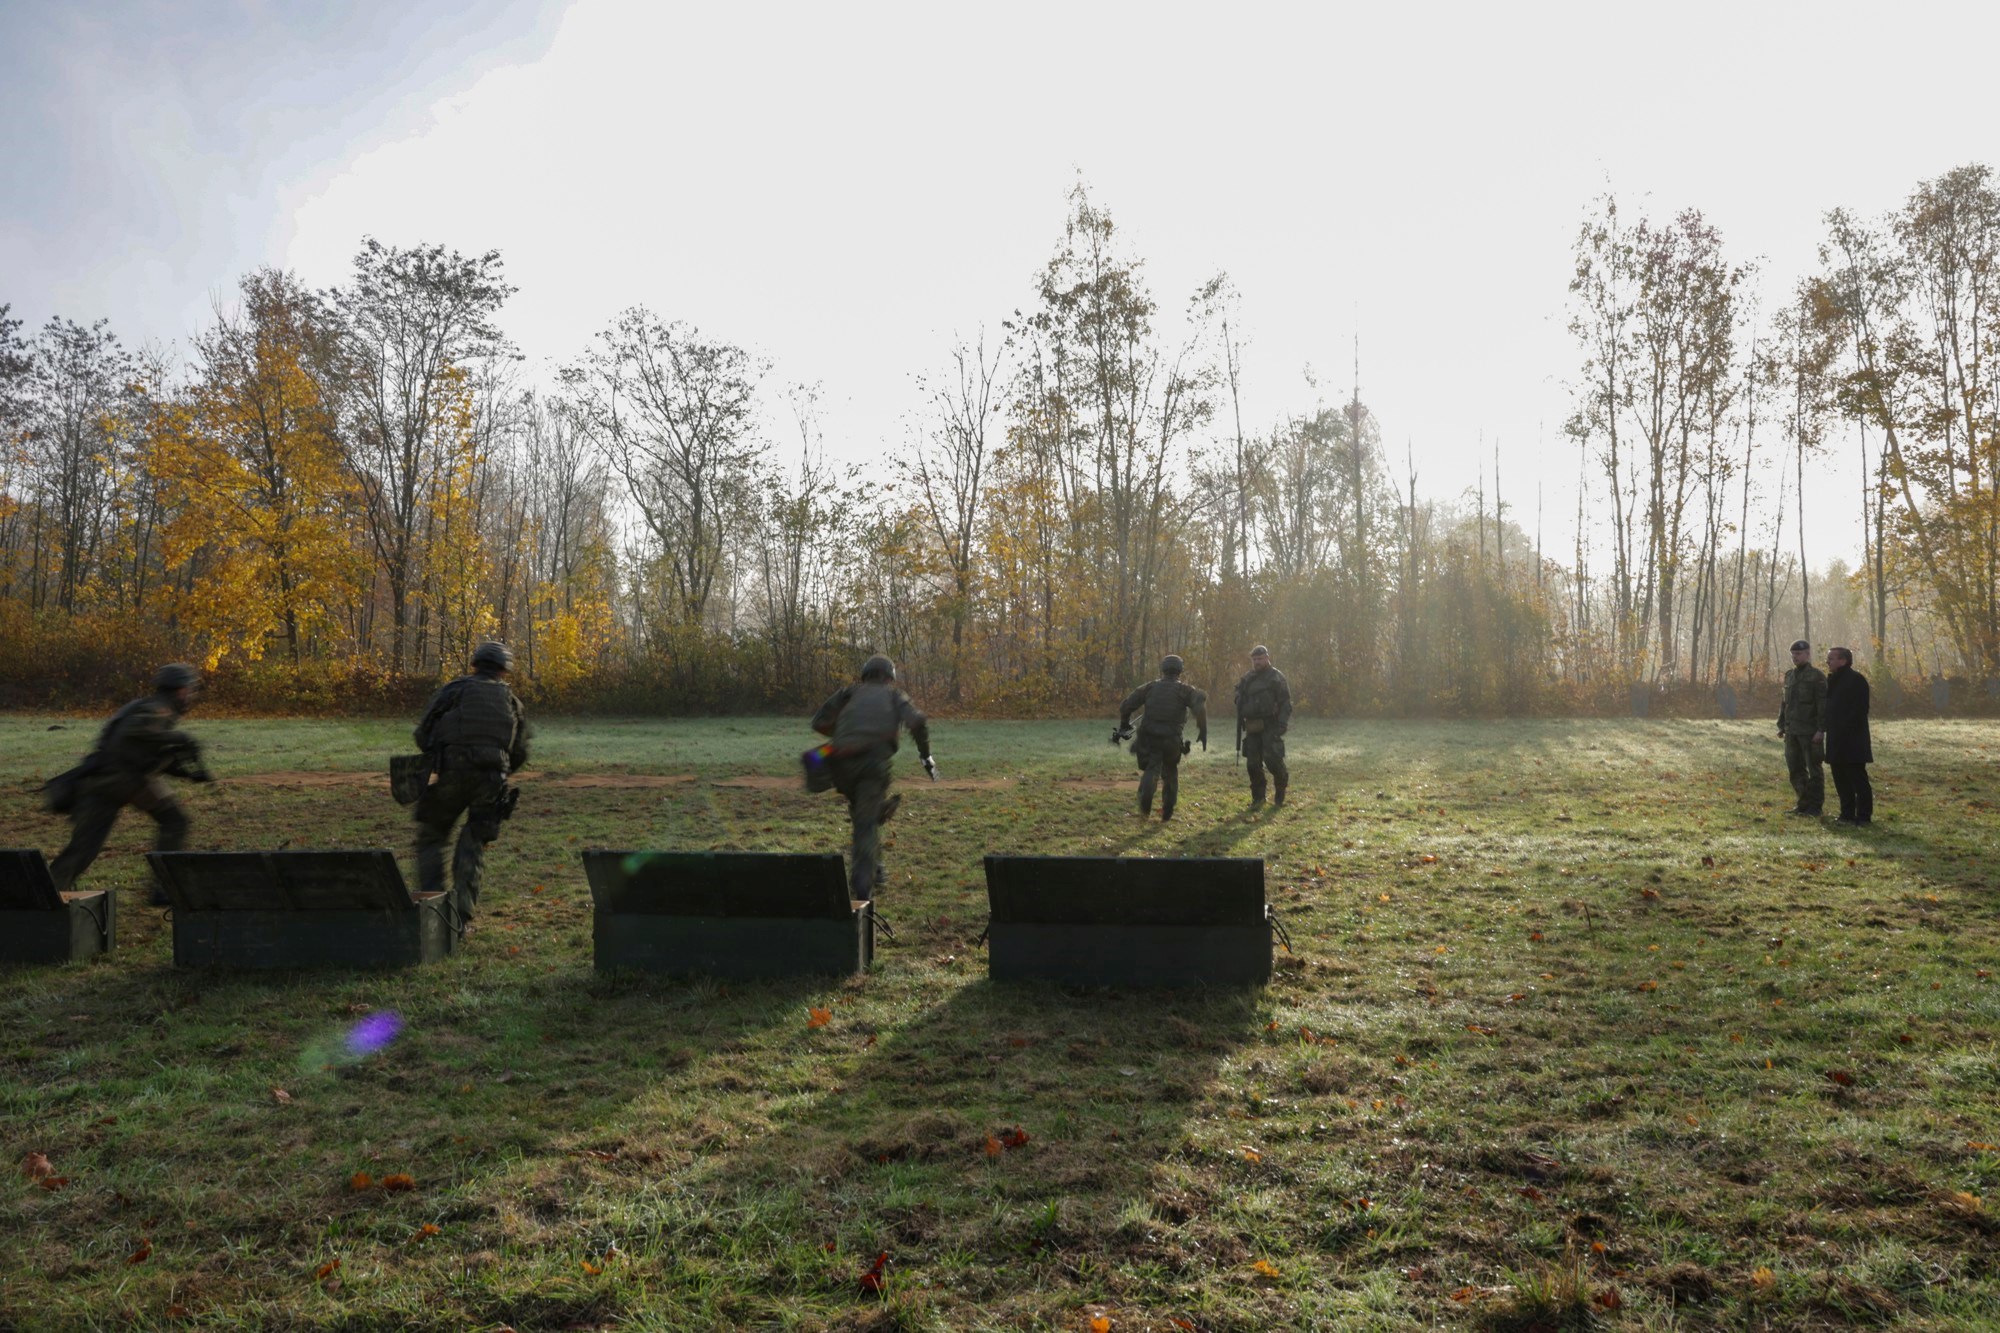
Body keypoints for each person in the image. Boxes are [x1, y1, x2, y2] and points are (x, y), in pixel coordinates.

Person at [48, 663, 213, 903]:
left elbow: (146, 750)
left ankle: (49, 893)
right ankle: (162, 888)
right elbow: (130, 733)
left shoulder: (150, 706)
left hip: (114, 780)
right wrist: (179, 738)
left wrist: (188, 773)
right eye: (189, 690)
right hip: (119, 780)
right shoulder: (158, 710)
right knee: (174, 822)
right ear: (179, 690)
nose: (190, 696)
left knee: (86, 846)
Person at [411, 641, 529, 927]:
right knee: (473, 844)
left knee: (432, 837)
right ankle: (461, 917)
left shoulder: (454, 690)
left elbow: (422, 732)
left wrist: (439, 755)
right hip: (491, 780)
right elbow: (520, 752)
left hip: (453, 773)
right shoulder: (511, 701)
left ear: (475, 664)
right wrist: (499, 770)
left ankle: (432, 908)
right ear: (504, 670)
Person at [811, 654, 934, 901]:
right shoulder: (893, 696)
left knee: (861, 815)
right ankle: (862, 884)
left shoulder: (848, 693)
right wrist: (925, 756)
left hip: (841, 765)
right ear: (889, 678)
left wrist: (846, 732)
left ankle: (875, 866)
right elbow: (917, 721)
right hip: (872, 766)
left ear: (865, 675)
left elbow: (819, 722)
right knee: (866, 823)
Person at [1116, 655, 1207, 821]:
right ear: (1180, 670)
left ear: (1162, 669)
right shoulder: (1185, 690)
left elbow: (1125, 706)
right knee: (1171, 771)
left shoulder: (1150, 687)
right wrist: (1203, 731)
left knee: (1152, 767)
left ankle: (1146, 797)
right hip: (1172, 740)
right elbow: (1199, 707)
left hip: (1149, 737)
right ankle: (1167, 811)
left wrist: (1124, 726)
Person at [1233, 645, 1293, 809]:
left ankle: (1280, 789)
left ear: (1267, 658)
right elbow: (1238, 690)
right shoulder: (1248, 677)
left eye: (1260, 659)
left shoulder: (1276, 677)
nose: (1257, 662)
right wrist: (1238, 698)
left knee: (1272, 760)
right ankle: (1258, 798)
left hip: (1271, 724)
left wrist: (1282, 723)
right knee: (1252, 764)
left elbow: (1286, 703)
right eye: (1254, 659)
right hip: (1252, 725)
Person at [1819, 646, 1873, 826]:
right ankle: (1847, 814)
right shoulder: (1833, 680)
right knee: (1840, 778)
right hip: (1836, 738)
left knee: (1857, 778)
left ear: (1843, 660)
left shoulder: (1856, 680)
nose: (1828, 662)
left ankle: (1864, 816)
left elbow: (1860, 709)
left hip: (1853, 739)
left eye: (1831, 659)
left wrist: (1844, 727)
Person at [1777, 638, 1826, 817]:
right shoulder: (1789, 675)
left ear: (1807, 654)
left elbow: (1822, 705)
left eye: (1798, 654)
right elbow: (1785, 703)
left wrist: (1821, 729)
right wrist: (1781, 725)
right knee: (1795, 769)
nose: (1795, 657)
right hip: (1792, 731)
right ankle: (1803, 803)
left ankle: (1815, 806)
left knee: (1814, 770)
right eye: (1793, 654)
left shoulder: (1817, 677)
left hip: (1810, 732)